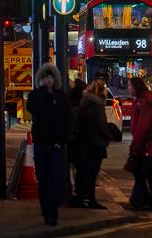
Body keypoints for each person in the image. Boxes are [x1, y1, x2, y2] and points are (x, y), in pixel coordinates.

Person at [26, 63, 72, 226]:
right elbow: (33, 109)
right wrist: (44, 93)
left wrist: (62, 141)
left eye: (50, 77)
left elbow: (68, 120)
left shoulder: (61, 97)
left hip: (56, 146)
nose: (48, 80)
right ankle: (46, 211)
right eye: (45, 77)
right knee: (43, 181)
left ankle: (53, 212)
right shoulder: (35, 96)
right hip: (40, 144)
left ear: (55, 79)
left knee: (55, 180)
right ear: (40, 79)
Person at [128, 77, 152, 211]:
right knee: (147, 175)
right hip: (149, 146)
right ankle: (145, 201)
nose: (128, 89)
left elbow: (143, 125)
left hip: (146, 146)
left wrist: (135, 144)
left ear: (136, 87)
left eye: (130, 86)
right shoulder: (145, 99)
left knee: (144, 174)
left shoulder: (143, 102)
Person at [78, 79, 113, 208]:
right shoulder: (97, 105)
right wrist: (109, 136)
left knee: (86, 172)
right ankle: (91, 200)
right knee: (92, 173)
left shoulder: (85, 102)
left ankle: (84, 197)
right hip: (96, 143)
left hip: (86, 142)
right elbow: (101, 125)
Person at [68, 78, 87, 206]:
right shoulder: (79, 109)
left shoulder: (69, 105)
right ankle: (78, 196)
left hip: (71, 143)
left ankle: (75, 194)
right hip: (77, 143)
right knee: (81, 171)